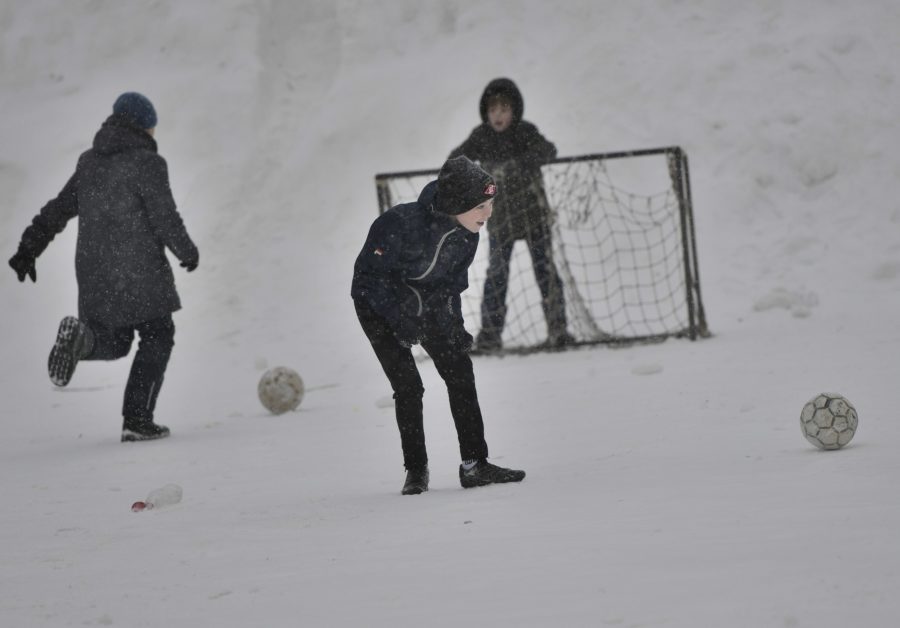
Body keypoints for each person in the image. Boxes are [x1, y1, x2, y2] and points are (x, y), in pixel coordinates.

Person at [8, 92, 199, 442]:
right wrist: (186, 250)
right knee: (158, 335)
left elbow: (58, 208)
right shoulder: (148, 164)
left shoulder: (89, 163)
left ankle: (83, 341)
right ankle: (137, 420)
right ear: (143, 126)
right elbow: (164, 216)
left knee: (114, 340)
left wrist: (29, 246)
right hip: (138, 271)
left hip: (95, 274)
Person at [352, 156, 526, 495]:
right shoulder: (399, 223)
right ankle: (416, 470)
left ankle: (475, 465)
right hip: (376, 305)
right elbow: (369, 281)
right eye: (480, 205)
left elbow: (449, 286)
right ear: (456, 203)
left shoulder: (468, 234)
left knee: (460, 370)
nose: (487, 213)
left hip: (425, 303)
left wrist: (455, 327)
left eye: (490, 204)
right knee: (409, 386)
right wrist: (398, 321)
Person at [449, 77, 573, 352]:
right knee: (497, 276)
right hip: (500, 220)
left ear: (514, 110)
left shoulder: (525, 131)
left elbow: (549, 150)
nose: (498, 115)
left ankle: (559, 330)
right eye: (493, 110)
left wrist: (520, 164)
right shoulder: (482, 136)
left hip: (533, 216)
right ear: (486, 113)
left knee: (546, 272)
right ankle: (490, 337)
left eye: (504, 109)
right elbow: (456, 158)